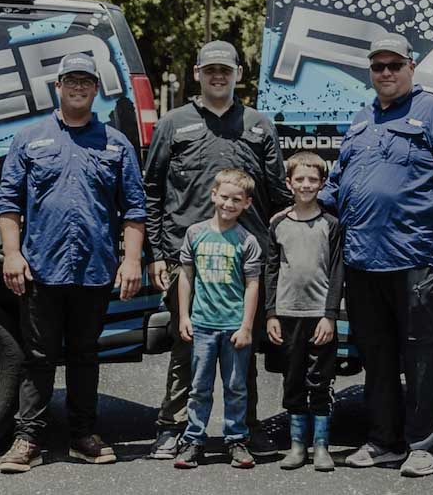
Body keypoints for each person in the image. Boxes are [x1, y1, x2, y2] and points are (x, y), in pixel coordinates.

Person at [318, 33, 433, 477]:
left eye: (393, 65)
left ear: (411, 66)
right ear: (370, 72)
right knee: (376, 354)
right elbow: (340, 180)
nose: (385, 73)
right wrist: (303, 210)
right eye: (377, 67)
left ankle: (424, 445)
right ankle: (383, 441)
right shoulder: (361, 118)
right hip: (362, 257)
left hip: (417, 255)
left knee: (421, 354)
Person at [0, 53, 146, 473]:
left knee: (84, 354)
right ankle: (28, 439)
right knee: (38, 356)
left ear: (96, 89)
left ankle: (83, 435)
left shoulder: (116, 143)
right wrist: (12, 253)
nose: (78, 87)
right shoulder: (30, 138)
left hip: (95, 270)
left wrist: (131, 260)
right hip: (41, 267)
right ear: (57, 86)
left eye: (86, 81)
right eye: (70, 80)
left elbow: (134, 209)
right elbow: (7, 203)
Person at [144, 40, 293, 458]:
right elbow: (152, 190)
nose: (218, 76)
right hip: (185, 256)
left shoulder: (260, 125)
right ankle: (173, 428)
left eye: (225, 70)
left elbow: (279, 195)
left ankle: (244, 428)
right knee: (186, 341)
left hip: (247, 259)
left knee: (243, 343)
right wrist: (158, 253)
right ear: (197, 73)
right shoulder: (173, 123)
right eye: (210, 69)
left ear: (238, 75)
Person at [171, 168, 262, 469]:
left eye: (237, 199)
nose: (229, 204)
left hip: (234, 327)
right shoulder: (195, 234)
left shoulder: (247, 241)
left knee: (236, 387)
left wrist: (247, 326)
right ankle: (193, 440)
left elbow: (252, 285)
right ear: (213, 195)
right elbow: (186, 276)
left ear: (247, 203)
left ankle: (236, 440)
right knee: (199, 387)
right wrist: (184, 315)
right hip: (203, 325)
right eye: (224, 197)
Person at [265, 152, 343, 472]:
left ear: (322, 184)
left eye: (313, 180)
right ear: (289, 183)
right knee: (293, 378)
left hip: (319, 315)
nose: (306, 185)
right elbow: (271, 270)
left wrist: (330, 314)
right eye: (300, 179)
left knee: (319, 379)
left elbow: (337, 272)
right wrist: (270, 313)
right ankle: (297, 445)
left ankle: (321, 446)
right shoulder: (278, 225)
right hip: (286, 313)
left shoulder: (331, 225)